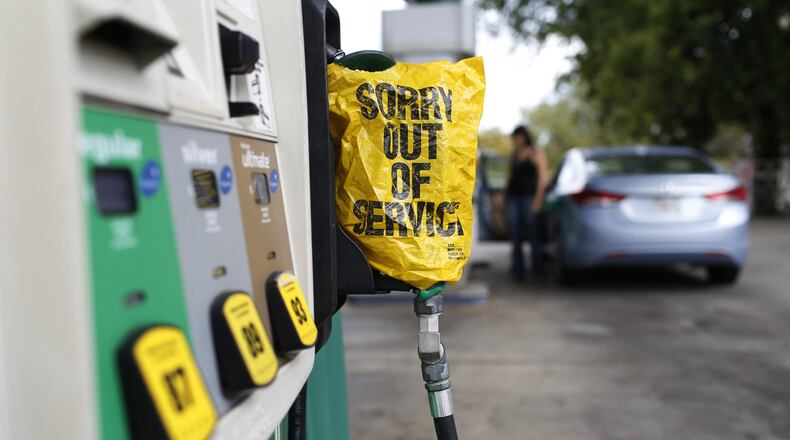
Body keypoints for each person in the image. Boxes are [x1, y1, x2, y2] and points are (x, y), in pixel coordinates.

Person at [506, 125, 548, 280]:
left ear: (525, 137)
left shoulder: (536, 154)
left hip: (528, 198)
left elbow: (543, 179)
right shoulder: (514, 155)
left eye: (519, 136)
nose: (517, 140)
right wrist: (504, 199)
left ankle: (538, 269)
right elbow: (509, 178)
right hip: (513, 198)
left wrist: (537, 201)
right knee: (515, 236)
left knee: (533, 235)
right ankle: (518, 270)